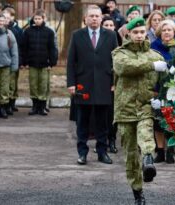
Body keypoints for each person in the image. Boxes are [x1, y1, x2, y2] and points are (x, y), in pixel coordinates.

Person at [112, 17, 166, 205]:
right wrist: (150, 66)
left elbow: (165, 82)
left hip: (145, 105)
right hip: (125, 108)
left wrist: (161, 99)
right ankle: (137, 191)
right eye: (135, 32)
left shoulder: (156, 55)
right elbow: (123, 68)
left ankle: (149, 160)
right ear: (128, 33)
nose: (139, 35)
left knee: (146, 135)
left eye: (142, 32)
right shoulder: (119, 54)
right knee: (130, 155)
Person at [67, 5, 118, 165]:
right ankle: (82, 153)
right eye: (91, 16)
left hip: (104, 84)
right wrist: (71, 83)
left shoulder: (110, 36)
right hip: (83, 85)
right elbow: (71, 62)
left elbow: (116, 62)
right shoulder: (77, 35)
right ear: (86, 18)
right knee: (82, 121)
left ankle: (102, 153)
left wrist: (115, 82)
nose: (94, 18)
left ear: (101, 18)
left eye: (97, 16)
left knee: (102, 122)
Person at [150, 19, 175, 163]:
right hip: (158, 88)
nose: (167, 32)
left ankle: (171, 151)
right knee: (158, 121)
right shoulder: (154, 46)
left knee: (174, 119)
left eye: (169, 30)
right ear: (159, 33)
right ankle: (160, 151)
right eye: (164, 30)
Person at [22, 9, 57, 116]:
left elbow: (52, 48)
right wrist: (25, 61)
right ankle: (34, 106)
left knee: (43, 85)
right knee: (33, 84)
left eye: (39, 18)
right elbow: (25, 48)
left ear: (43, 19)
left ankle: (42, 107)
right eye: (35, 18)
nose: (37, 20)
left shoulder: (49, 32)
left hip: (44, 64)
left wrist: (51, 62)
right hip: (32, 63)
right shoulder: (28, 31)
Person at [101, 15, 118, 153]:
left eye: (111, 25)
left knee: (112, 115)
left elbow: (117, 64)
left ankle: (112, 141)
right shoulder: (97, 41)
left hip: (112, 84)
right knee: (101, 115)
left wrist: (114, 82)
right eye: (105, 25)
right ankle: (102, 141)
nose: (108, 28)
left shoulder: (116, 41)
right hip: (99, 83)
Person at [3, 7, 23, 115]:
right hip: (4, 61)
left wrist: (20, 61)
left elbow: (20, 47)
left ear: (12, 18)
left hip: (14, 61)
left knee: (13, 84)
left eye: (7, 17)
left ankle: (11, 103)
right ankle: (6, 105)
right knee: (6, 84)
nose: (6, 20)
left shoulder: (17, 31)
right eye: (4, 17)